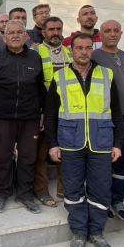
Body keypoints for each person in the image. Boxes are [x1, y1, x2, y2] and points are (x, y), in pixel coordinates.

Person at [46, 33, 124, 247]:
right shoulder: (59, 76)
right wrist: (52, 143)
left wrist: (117, 143)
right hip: (70, 142)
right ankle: (79, 232)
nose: (83, 52)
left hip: (101, 142)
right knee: (73, 189)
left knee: (100, 189)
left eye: (87, 48)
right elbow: (50, 113)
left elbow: (117, 111)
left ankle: (97, 232)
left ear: (92, 49)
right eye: (78, 48)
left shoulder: (106, 74)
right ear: (71, 50)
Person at [0, 19, 46, 213]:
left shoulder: (35, 58)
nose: (16, 35)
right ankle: (1, 194)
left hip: (30, 117)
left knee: (28, 157)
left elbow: (40, 88)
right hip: (2, 116)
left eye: (20, 32)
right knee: (2, 157)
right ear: (4, 36)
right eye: (11, 33)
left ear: (26, 36)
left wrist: (42, 112)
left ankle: (25, 194)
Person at [91, 20, 124, 220]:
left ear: (121, 33)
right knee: (103, 162)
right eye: (107, 31)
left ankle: (117, 199)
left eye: (115, 30)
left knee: (122, 161)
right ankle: (103, 200)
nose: (112, 34)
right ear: (100, 34)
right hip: (103, 118)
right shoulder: (94, 56)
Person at [32, 16, 71, 205]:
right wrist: (39, 110)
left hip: (66, 110)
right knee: (40, 153)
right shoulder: (35, 51)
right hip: (43, 109)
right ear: (43, 32)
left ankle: (64, 189)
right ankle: (41, 190)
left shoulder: (69, 52)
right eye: (51, 29)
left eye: (58, 28)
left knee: (65, 151)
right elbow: (34, 82)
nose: (55, 32)